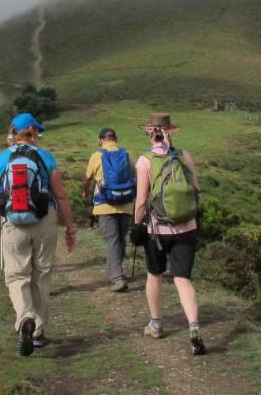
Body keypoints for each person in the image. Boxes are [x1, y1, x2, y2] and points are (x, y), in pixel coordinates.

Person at [0, 113, 77, 357]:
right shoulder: (46, 157)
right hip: (45, 219)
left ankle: (25, 318)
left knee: (16, 276)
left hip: (12, 222)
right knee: (41, 275)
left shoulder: (1, 159)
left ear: (13, 134)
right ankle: (37, 333)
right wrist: (70, 228)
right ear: (32, 132)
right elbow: (61, 196)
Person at [132, 113, 206, 355]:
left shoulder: (144, 161)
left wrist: (136, 225)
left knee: (155, 274)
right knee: (182, 278)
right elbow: (196, 190)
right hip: (188, 227)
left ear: (149, 132)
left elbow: (142, 200)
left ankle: (155, 324)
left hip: (157, 230)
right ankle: (193, 326)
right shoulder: (185, 156)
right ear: (170, 132)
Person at [81, 128, 136, 292]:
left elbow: (88, 178)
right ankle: (118, 272)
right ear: (116, 139)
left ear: (101, 141)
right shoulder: (126, 154)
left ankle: (117, 278)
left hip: (105, 205)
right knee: (120, 239)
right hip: (126, 203)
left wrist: (85, 190)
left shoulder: (96, 155)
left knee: (112, 240)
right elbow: (135, 175)